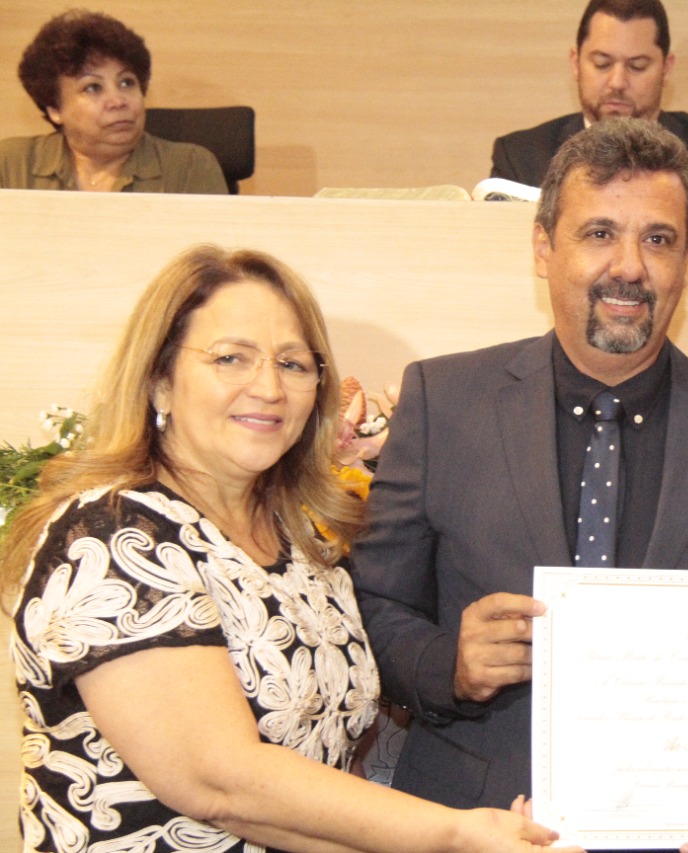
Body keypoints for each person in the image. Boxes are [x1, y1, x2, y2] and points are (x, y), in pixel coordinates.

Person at [0, 245, 570, 853]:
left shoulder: (305, 545)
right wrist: (456, 833)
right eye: (231, 358)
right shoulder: (113, 537)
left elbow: (327, 776)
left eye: (294, 364)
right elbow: (219, 782)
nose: (269, 388)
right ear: (159, 381)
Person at [353, 117, 688, 812]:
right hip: (475, 818)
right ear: (543, 247)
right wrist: (450, 664)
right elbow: (373, 605)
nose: (629, 266)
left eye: (657, 239)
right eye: (599, 233)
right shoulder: (442, 401)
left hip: (687, 822)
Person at [490, 0, 688, 205]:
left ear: (666, 68)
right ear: (575, 63)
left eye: (637, 66)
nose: (617, 82)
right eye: (602, 63)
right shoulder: (520, 157)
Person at [0, 10, 227, 193]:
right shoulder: (11, 164)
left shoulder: (189, 167)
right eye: (93, 87)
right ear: (55, 109)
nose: (118, 101)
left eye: (127, 83)